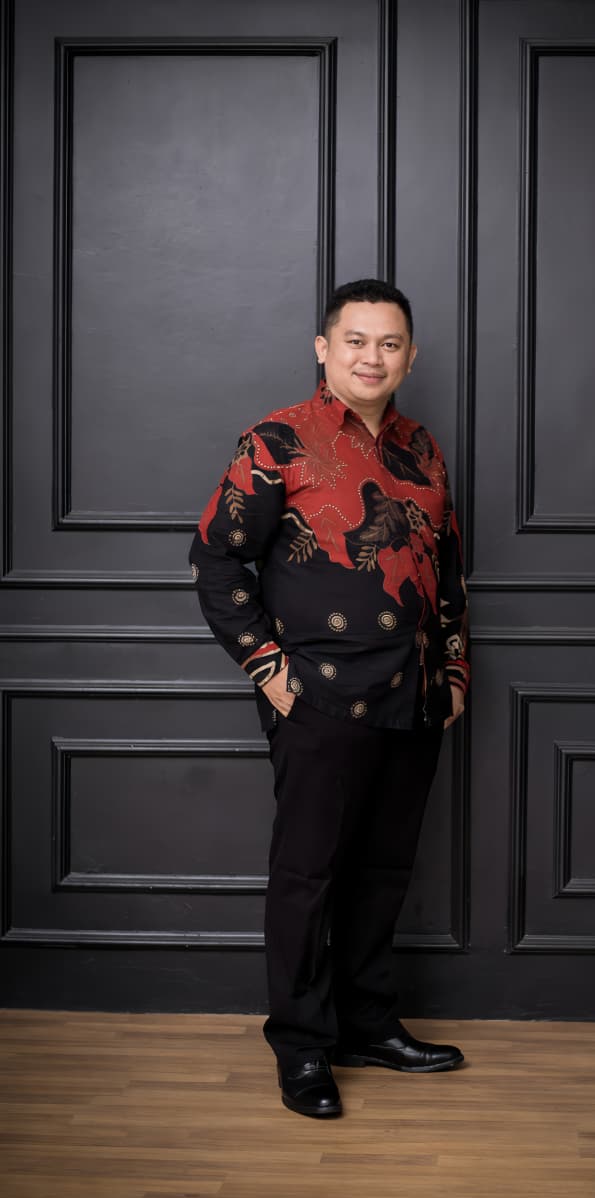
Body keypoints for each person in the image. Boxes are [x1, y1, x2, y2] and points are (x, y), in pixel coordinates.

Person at [189, 279, 469, 1118]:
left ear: (409, 356)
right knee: (307, 876)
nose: (371, 357)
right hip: (318, 697)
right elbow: (217, 560)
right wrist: (268, 669)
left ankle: (367, 1024)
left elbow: (447, 569)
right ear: (323, 348)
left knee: (382, 873)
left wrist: (454, 671)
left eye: (389, 343)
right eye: (355, 340)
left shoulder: (423, 448)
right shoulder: (277, 440)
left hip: (415, 695)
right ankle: (304, 1046)